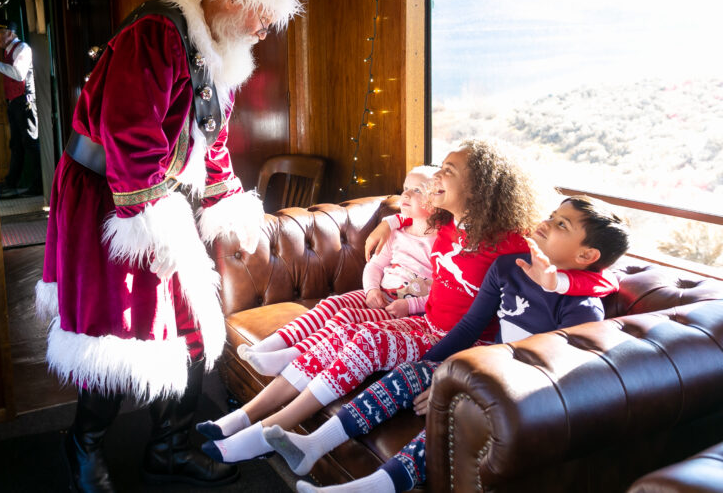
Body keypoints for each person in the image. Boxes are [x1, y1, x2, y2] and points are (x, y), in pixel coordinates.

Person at [36, 0, 305, 492]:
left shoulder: (221, 52)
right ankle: (83, 445)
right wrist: (154, 218)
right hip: (109, 201)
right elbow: (129, 134)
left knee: (191, 326)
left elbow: (212, 143)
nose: (264, 30)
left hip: (160, 199)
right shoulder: (155, 34)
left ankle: (169, 447)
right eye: (263, 15)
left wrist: (228, 204)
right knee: (112, 330)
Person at [198, 140, 617, 463]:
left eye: (448, 172)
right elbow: (406, 212)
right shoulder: (446, 223)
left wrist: (563, 282)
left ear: (479, 189)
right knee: (345, 330)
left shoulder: (511, 243)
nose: (437, 178)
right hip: (427, 322)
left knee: (364, 342)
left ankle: (267, 432)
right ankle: (245, 415)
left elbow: (596, 278)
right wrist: (387, 220)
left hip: (461, 340)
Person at [266, 195, 630, 493]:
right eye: (553, 215)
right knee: (407, 376)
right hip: (477, 364)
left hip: (520, 390)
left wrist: (459, 385)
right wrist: (431, 369)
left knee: (456, 418)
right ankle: (313, 445)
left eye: (561, 225)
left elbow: (554, 374)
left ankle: (370, 487)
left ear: (586, 257)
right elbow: (470, 325)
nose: (547, 222)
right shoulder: (507, 267)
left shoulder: (582, 306)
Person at [236, 166, 439, 378]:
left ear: (437, 201)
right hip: (379, 293)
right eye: (405, 188)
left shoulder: (442, 243)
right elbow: (375, 266)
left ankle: (292, 355)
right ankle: (269, 345)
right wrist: (370, 290)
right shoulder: (395, 231)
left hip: (399, 308)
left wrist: (409, 305)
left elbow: (444, 293)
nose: (405, 194)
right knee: (331, 304)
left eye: (416, 191)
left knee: (346, 317)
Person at [0, 23, 44, 198]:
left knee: (31, 143)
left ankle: (39, 185)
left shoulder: (23, 48)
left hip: (25, 100)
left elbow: (19, 74)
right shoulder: (8, 50)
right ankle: (11, 182)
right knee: (16, 144)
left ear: (11, 33)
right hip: (13, 102)